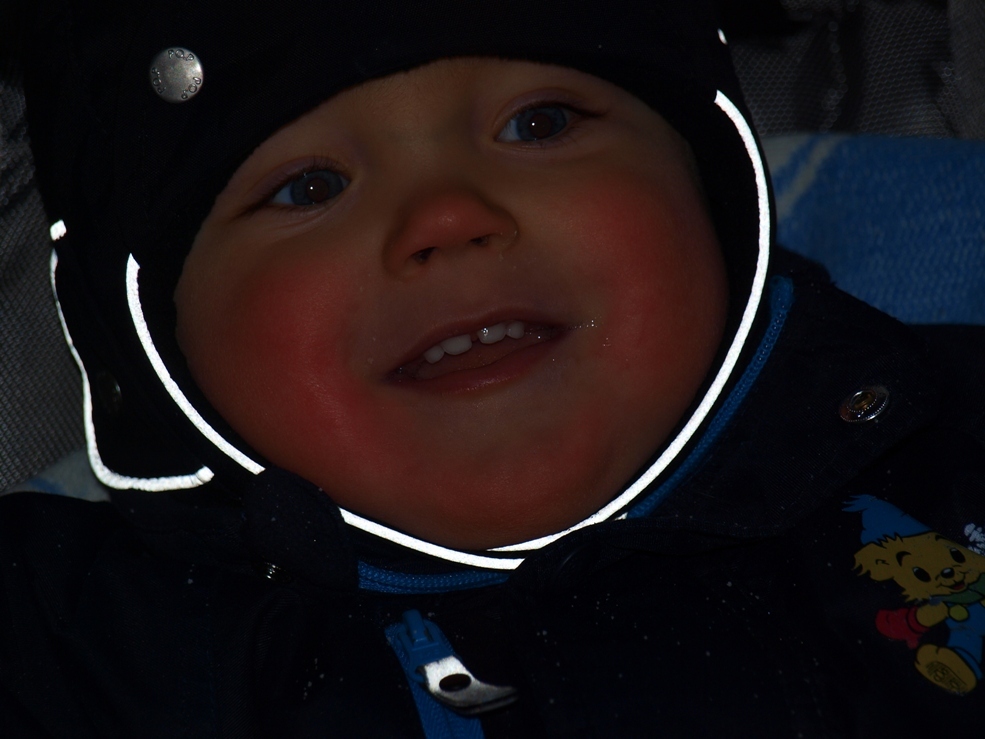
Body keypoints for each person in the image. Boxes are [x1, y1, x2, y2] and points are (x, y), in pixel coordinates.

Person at [2, 1, 983, 736]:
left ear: (713, 184)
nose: (446, 217)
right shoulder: (92, 651)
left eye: (538, 125)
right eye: (309, 188)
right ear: (151, 340)